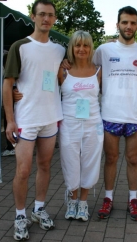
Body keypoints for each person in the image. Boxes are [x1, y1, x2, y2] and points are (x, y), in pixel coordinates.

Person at [2, 0, 65, 241]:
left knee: (45, 166)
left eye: (50, 15)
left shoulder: (59, 50)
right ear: (33, 16)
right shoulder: (20, 46)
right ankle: (20, 215)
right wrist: (10, 120)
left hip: (50, 117)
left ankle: (39, 209)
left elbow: (62, 77)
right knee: (23, 169)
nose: (46, 19)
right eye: (42, 14)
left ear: (55, 18)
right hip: (26, 119)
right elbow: (7, 85)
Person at [94, 6, 137, 221]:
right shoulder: (103, 50)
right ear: (117, 24)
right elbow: (89, 74)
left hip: (135, 116)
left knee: (133, 159)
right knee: (110, 158)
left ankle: (133, 200)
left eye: (133, 22)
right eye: (125, 22)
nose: (129, 26)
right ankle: (108, 198)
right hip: (110, 114)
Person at [57, 30, 103, 222]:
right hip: (69, 123)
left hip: (93, 123)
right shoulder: (63, 70)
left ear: (91, 48)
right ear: (72, 47)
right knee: (71, 162)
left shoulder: (99, 71)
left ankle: (83, 202)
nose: (81, 49)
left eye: (85, 45)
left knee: (90, 162)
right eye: (77, 45)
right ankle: (72, 199)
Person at [1, 51, 15, 157]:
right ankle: (11, 146)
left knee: (10, 123)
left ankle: (12, 146)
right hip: (10, 105)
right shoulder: (7, 74)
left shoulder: (13, 74)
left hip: (14, 105)